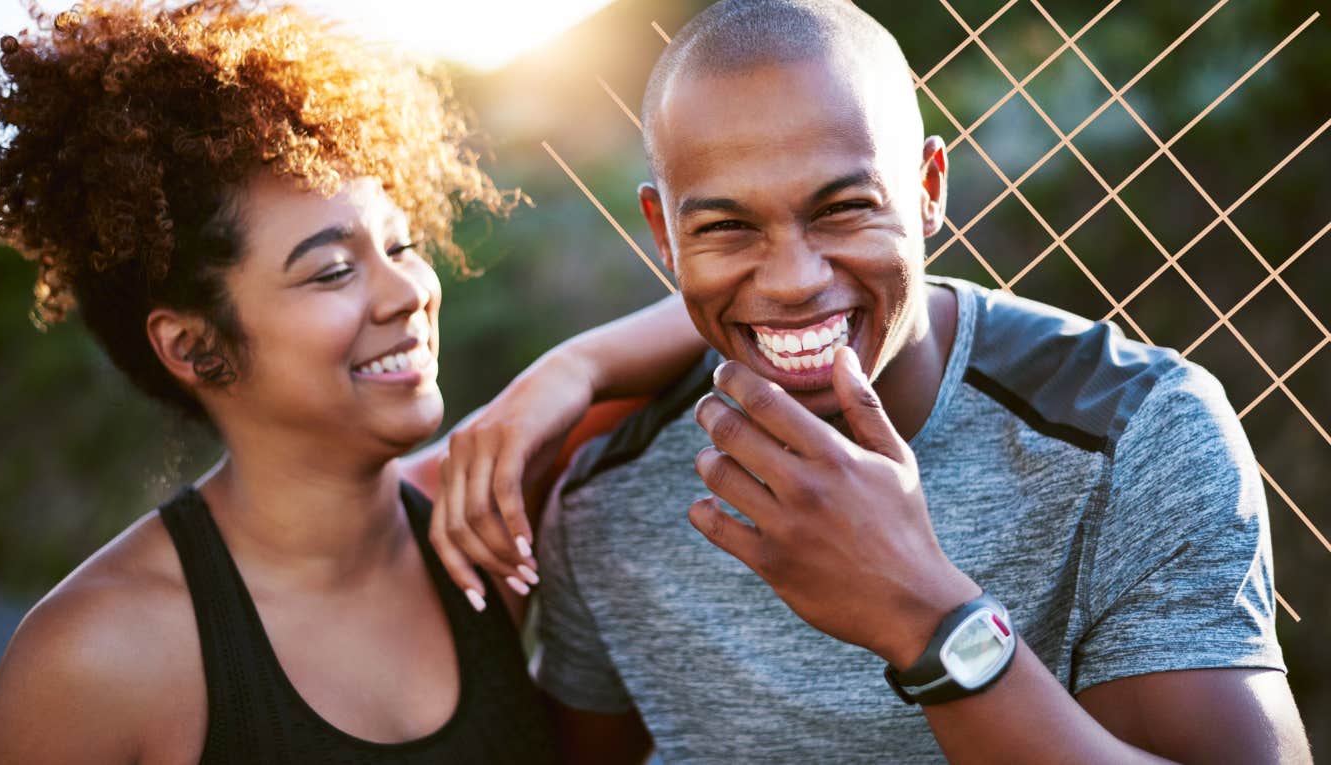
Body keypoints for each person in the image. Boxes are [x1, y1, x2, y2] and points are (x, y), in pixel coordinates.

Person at [432, 1, 1312, 762]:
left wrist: (928, 620)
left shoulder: (1136, 434)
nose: (792, 281)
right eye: (728, 228)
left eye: (843, 209)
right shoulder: (606, 496)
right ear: (664, 234)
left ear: (928, 187)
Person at [0, 2, 703, 762]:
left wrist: (571, 369)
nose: (407, 292)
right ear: (192, 345)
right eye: (332, 270)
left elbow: (736, 303)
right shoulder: (91, 659)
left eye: (401, 244)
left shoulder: (478, 520)